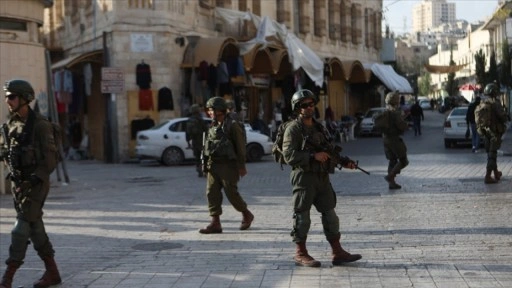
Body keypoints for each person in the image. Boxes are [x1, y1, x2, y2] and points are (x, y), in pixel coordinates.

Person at [282, 89, 362, 267]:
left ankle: (337, 252)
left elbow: (329, 149)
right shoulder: (293, 129)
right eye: (305, 105)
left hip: (322, 177)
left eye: (311, 104)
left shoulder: (319, 127)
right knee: (302, 216)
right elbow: (288, 155)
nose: (309, 108)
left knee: (330, 214)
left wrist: (343, 161)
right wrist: (312, 156)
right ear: (297, 108)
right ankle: (300, 253)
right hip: (304, 178)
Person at [0, 79, 61, 288]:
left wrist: (36, 178)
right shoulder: (10, 125)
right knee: (35, 228)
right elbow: (3, 151)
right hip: (19, 185)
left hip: (36, 183)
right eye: (7, 96)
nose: (8, 100)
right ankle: (53, 273)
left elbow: (51, 159)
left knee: (20, 229)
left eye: (12, 96)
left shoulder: (41, 125)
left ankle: (8, 277)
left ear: (25, 98)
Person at [198, 96, 254, 234]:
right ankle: (215, 222)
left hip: (228, 165)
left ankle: (247, 214)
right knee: (211, 193)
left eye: (212, 110)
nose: (210, 113)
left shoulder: (232, 125)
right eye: (209, 110)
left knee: (231, 193)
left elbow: (240, 147)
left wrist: (241, 165)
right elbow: (206, 146)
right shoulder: (212, 125)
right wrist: (204, 164)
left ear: (220, 110)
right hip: (213, 165)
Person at [478, 83, 508, 184]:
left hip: (486, 132)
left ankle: (495, 173)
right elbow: (502, 117)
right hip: (494, 132)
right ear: (494, 92)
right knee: (492, 154)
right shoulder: (495, 103)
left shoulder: (483, 102)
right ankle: (487, 176)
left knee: (491, 153)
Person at [382, 91, 409, 189]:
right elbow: (401, 126)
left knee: (392, 161)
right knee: (404, 160)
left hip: (385, 139)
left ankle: (391, 183)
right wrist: (406, 124)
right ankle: (390, 177)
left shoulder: (385, 112)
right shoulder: (395, 113)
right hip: (394, 139)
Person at [186, 104, 208, 177]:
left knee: (197, 156)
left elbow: (187, 132)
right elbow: (206, 130)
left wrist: (188, 141)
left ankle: (199, 169)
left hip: (194, 141)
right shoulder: (200, 119)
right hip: (202, 140)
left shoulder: (189, 120)